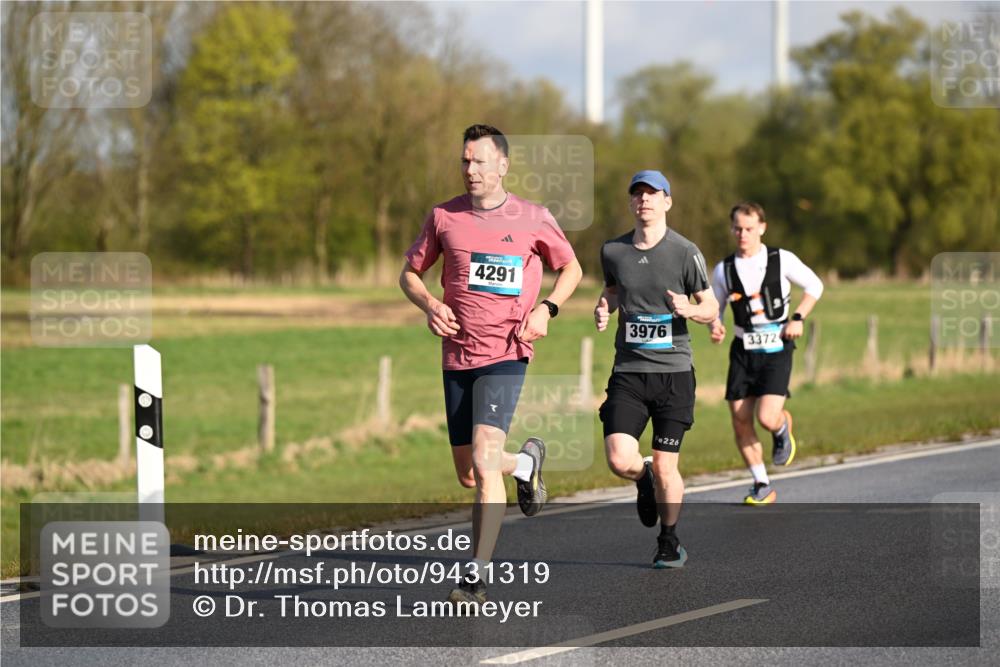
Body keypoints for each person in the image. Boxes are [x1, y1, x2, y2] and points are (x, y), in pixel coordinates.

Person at [400, 124, 582, 605]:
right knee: (469, 473)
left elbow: (572, 268)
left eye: (479, 161)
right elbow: (410, 274)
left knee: (483, 461)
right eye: (464, 161)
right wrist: (430, 306)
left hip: (507, 351)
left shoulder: (533, 217)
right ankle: (525, 464)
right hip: (458, 353)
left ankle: (476, 575)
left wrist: (547, 309)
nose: (470, 169)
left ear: (502, 165)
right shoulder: (443, 217)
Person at [594, 170, 718, 568]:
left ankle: (669, 539)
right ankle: (641, 477)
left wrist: (690, 310)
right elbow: (613, 290)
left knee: (668, 465)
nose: (644, 200)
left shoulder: (685, 251)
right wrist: (603, 307)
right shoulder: (613, 251)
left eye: (653, 194)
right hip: (629, 371)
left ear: (667, 201)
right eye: (638, 194)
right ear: (630, 202)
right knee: (618, 458)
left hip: (673, 374)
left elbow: (711, 305)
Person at [707, 201, 824, 504]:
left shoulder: (781, 259)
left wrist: (797, 318)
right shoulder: (723, 269)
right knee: (740, 419)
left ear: (762, 227)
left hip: (776, 346)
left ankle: (782, 426)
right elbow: (714, 308)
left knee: (767, 417)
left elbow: (815, 285)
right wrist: (715, 326)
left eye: (748, 228)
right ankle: (761, 483)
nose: (742, 234)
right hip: (742, 351)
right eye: (737, 228)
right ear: (732, 229)